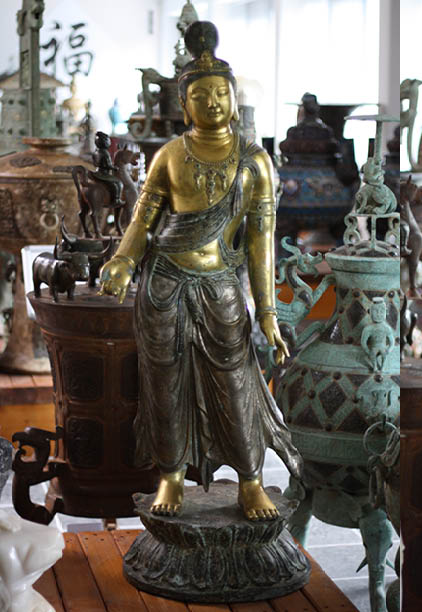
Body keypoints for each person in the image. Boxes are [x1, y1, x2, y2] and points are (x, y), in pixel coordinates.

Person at [98, 21, 301, 521]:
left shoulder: (255, 161)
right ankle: (171, 475)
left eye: (220, 93)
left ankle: (250, 480)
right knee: (164, 382)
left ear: (233, 99)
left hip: (220, 286)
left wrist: (268, 313)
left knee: (235, 381)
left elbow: (260, 240)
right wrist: (122, 260)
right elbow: (143, 220)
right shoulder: (170, 155)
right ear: (184, 105)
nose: (212, 102)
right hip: (164, 283)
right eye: (200, 95)